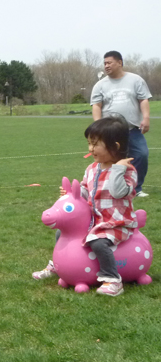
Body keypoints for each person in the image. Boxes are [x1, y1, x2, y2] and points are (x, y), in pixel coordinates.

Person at [33, 116, 137, 296]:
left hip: (116, 223)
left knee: (98, 242)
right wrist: (72, 194)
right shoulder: (92, 169)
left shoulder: (127, 171)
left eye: (95, 144)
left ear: (115, 146)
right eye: (89, 143)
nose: (90, 149)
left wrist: (117, 169)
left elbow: (117, 192)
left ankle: (112, 279)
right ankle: (59, 265)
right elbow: (85, 189)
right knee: (61, 233)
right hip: (95, 221)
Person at [91, 50, 152, 197]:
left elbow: (143, 100)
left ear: (119, 62)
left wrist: (146, 118)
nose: (106, 66)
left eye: (109, 63)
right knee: (111, 158)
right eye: (104, 63)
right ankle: (108, 187)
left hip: (132, 129)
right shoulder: (100, 85)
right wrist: (99, 127)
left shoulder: (135, 80)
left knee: (141, 155)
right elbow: (97, 105)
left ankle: (136, 188)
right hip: (111, 132)